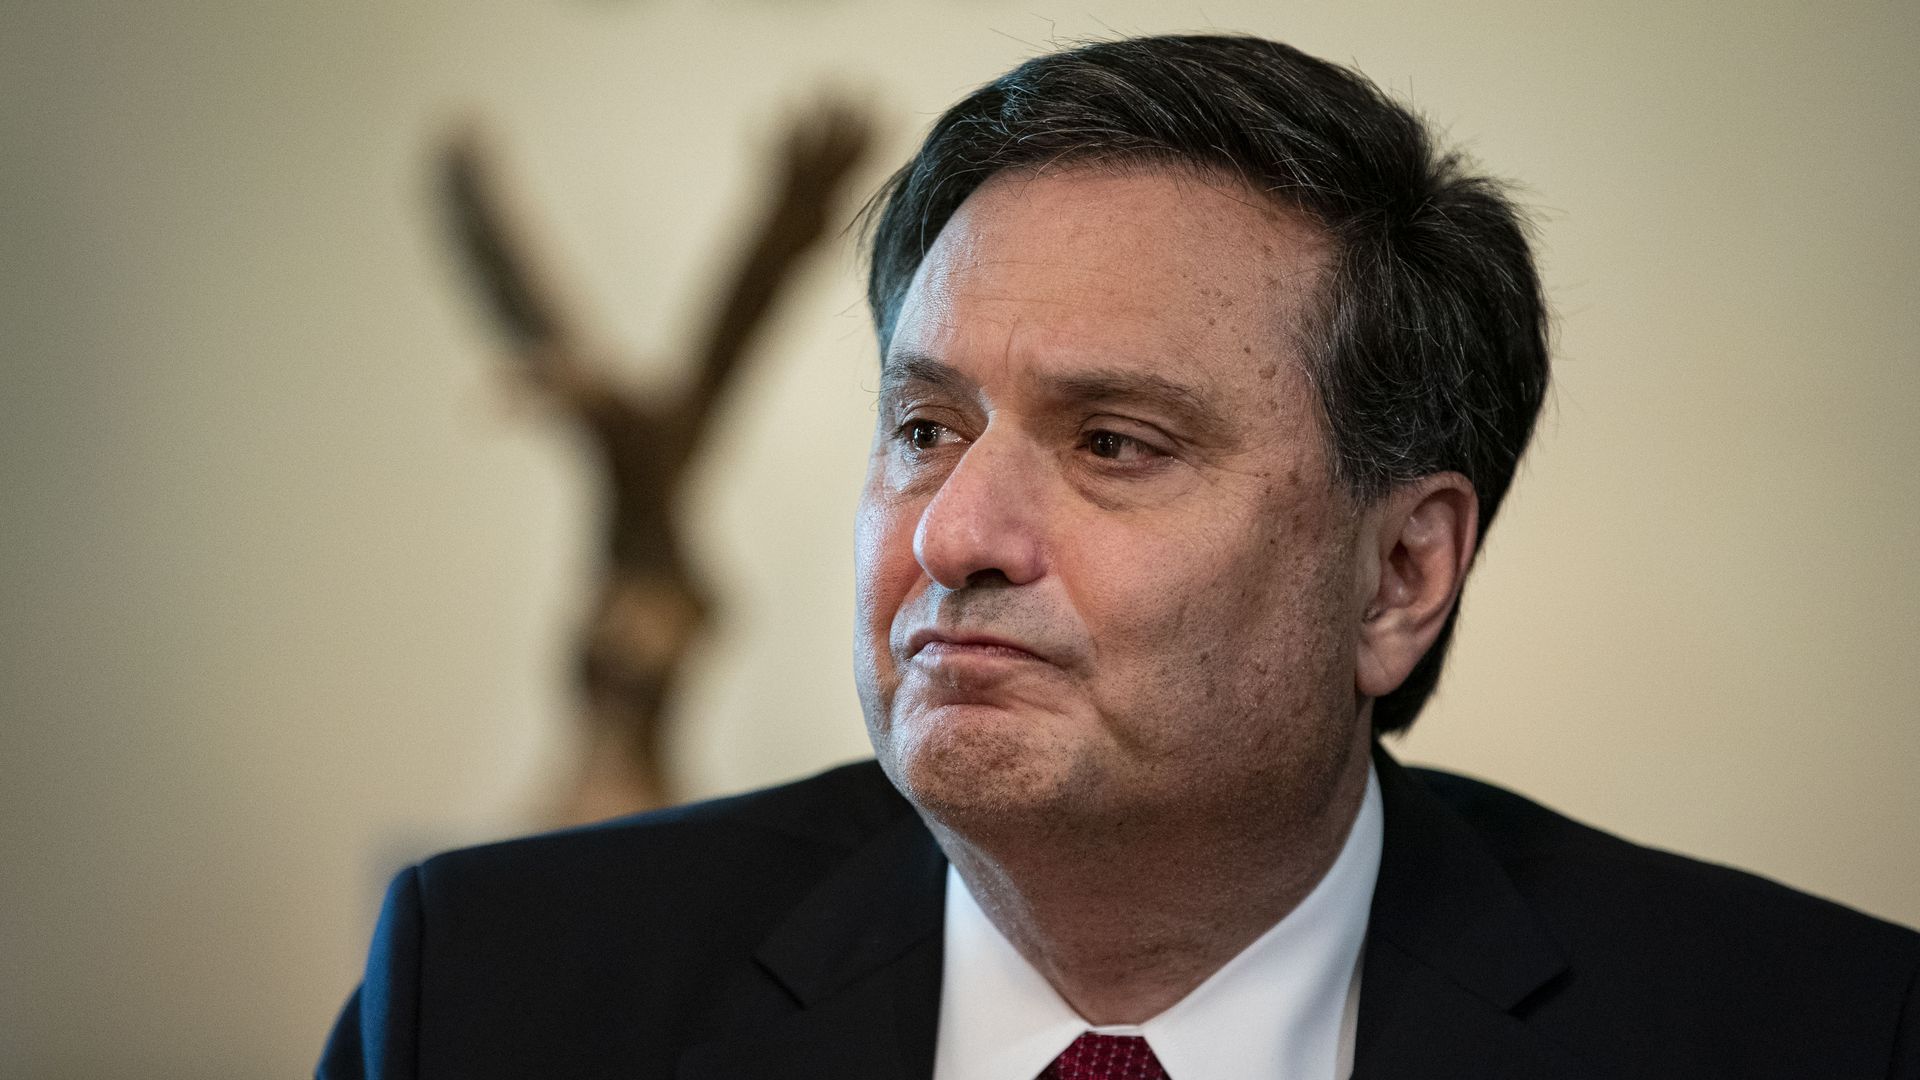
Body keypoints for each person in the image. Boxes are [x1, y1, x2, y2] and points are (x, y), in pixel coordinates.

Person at [319, 34, 1919, 1080]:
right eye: (926, 430)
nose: (954, 536)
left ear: (1401, 576)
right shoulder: (494, 998)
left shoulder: (1813, 1035)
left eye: (1116, 446)